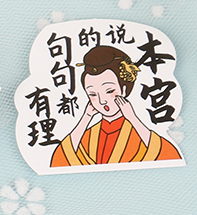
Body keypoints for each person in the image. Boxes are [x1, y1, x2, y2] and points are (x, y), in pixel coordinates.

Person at [50, 45, 182, 167]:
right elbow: (60, 158)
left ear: (124, 89)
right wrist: (86, 118)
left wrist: (132, 118)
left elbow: (167, 155)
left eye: (109, 91)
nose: (102, 101)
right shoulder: (88, 136)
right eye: (92, 94)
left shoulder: (139, 133)